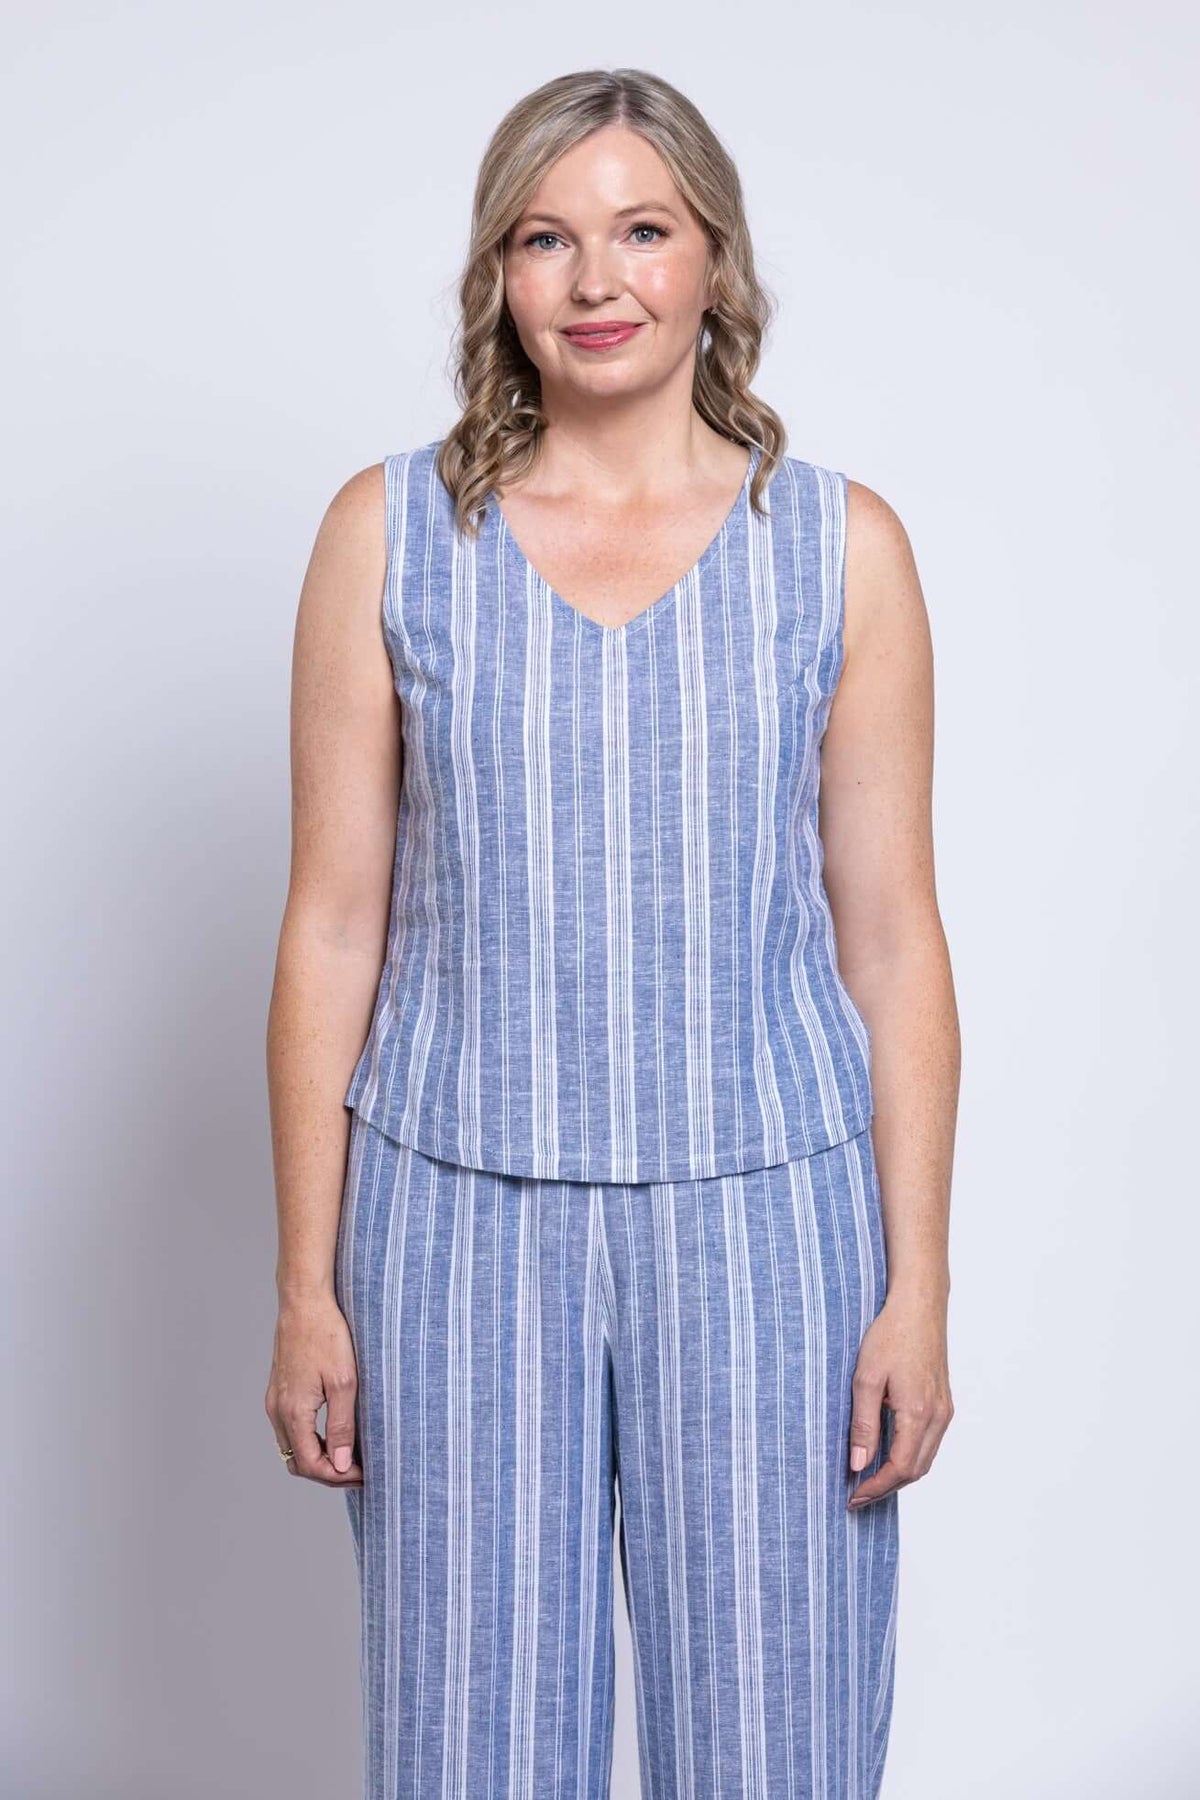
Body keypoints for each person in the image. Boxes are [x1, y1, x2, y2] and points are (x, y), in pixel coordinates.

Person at [264, 65, 957, 1800]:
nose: (598, 281)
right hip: (451, 1228)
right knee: (468, 1750)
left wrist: (919, 1287)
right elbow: (333, 929)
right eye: (546, 239)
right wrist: (304, 1288)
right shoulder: (388, 536)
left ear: (714, 259)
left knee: (781, 1747)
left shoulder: (841, 552)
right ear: (496, 276)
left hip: (770, 1224)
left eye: (642, 230)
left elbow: (893, 943)